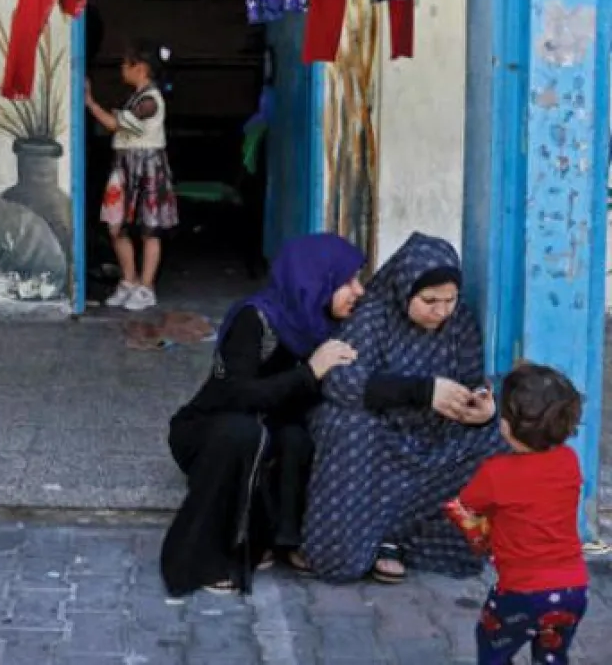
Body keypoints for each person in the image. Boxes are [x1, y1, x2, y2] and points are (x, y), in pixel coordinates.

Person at [161, 233, 366, 596]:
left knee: (296, 436)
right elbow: (237, 395)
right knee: (244, 431)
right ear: (317, 280)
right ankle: (206, 557)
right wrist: (309, 373)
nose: (359, 290)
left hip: (267, 433)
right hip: (209, 431)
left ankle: (284, 538)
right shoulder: (255, 319)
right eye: (347, 281)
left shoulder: (325, 324)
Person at [302, 232, 505, 584]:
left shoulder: (460, 323)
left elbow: (472, 379)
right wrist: (423, 392)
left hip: (434, 436)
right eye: (429, 300)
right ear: (406, 289)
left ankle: (400, 538)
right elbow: (339, 382)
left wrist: (480, 407)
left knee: (498, 438)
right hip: (381, 437)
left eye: (450, 300)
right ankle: (349, 546)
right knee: (344, 423)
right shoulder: (373, 318)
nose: (441, 311)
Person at [447, 363, 588, 665]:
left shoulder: (495, 473)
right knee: (552, 655)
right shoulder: (569, 461)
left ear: (507, 425)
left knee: (492, 645)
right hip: (573, 590)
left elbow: (466, 505)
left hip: (521, 592)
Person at [85, 40, 178, 311]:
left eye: (127, 64)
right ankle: (129, 280)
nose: (122, 69)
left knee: (150, 230)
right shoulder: (138, 96)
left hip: (147, 165)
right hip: (125, 165)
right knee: (117, 227)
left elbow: (115, 124)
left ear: (142, 68)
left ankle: (146, 287)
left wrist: (90, 102)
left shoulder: (150, 100)